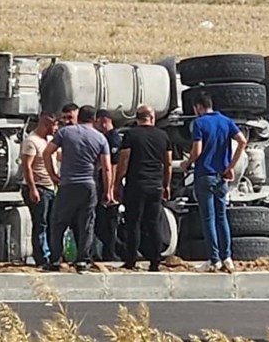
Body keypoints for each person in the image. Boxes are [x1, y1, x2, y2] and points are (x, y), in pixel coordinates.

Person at [181, 92, 247, 273]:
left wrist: (187, 163)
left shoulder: (199, 123)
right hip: (221, 176)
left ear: (198, 107)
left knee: (208, 218)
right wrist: (230, 166)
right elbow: (242, 141)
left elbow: (197, 150)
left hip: (204, 174)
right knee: (221, 217)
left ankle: (214, 259)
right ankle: (227, 258)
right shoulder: (225, 121)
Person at [42, 105, 113, 273]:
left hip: (67, 183)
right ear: (94, 119)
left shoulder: (65, 133)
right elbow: (107, 167)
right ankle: (82, 260)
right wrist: (108, 190)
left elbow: (47, 152)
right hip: (89, 184)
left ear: (78, 116)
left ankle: (55, 259)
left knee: (58, 222)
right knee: (86, 223)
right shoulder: (100, 138)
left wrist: (53, 175)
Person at [114, 104, 172, 271]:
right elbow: (168, 163)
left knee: (133, 223)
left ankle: (131, 260)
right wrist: (166, 184)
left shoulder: (131, 135)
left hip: (136, 184)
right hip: (155, 185)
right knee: (153, 223)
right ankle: (155, 261)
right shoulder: (163, 136)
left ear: (137, 118)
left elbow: (124, 161)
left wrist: (117, 182)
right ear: (152, 118)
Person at [21, 112, 58, 265]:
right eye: (55, 125)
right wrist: (32, 188)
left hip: (50, 187)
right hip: (38, 187)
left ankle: (52, 254)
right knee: (40, 223)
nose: (56, 129)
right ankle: (42, 257)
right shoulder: (31, 141)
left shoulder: (49, 140)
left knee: (51, 222)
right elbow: (27, 166)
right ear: (46, 124)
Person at [92, 109, 122, 262]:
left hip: (109, 184)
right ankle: (106, 250)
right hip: (102, 182)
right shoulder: (103, 138)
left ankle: (111, 252)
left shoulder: (112, 139)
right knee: (100, 222)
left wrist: (110, 188)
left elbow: (113, 165)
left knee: (108, 222)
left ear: (104, 121)